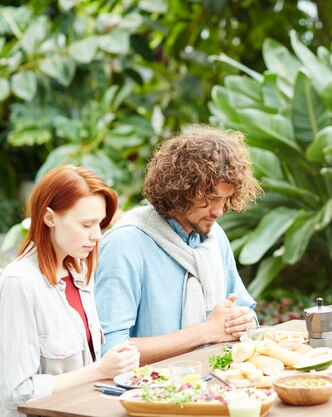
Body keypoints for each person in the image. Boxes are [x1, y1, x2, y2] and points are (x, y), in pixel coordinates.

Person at [95, 124, 262, 364]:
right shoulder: (125, 244)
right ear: (181, 190)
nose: (219, 211)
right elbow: (110, 351)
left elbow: (248, 313)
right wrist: (205, 332)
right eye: (210, 199)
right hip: (145, 393)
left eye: (225, 200)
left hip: (213, 383)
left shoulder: (214, 239)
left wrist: (243, 321)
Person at [0, 166, 140, 417]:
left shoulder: (80, 271)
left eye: (100, 224)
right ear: (49, 218)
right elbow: (16, 393)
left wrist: (116, 363)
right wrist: (100, 371)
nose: (97, 235)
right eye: (87, 224)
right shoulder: (19, 282)